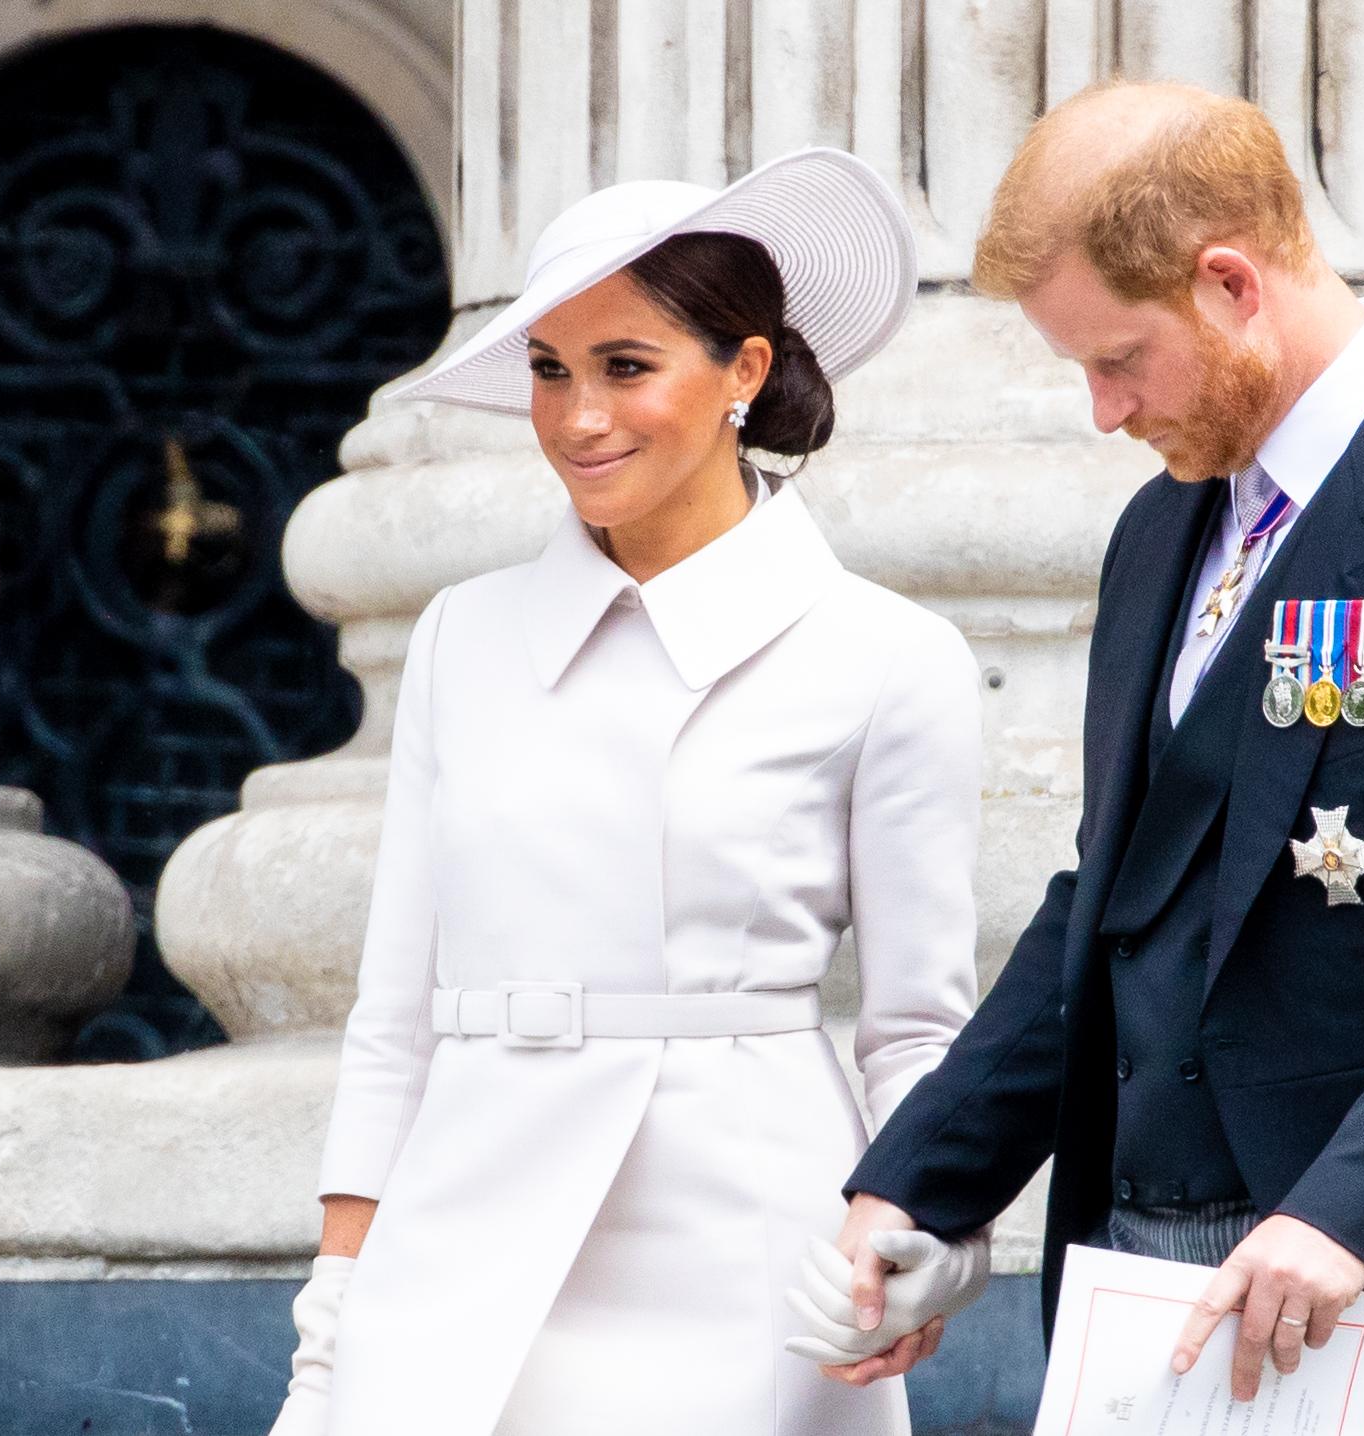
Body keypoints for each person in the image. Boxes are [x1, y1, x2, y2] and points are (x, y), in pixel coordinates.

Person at [812, 82, 1364, 1436]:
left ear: (1227, 281)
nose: (1100, 409)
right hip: (1136, 1283)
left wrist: (1341, 1212)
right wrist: (918, 1180)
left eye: (1118, 359)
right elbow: (1115, 897)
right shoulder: (1158, 534)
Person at [267, 148, 983, 1436]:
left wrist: (936, 1232)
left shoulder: (888, 657)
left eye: (627, 366)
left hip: (747, 1253)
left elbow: (916, 1027)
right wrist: (336, 1297)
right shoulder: (460, 638)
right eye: (550, 369)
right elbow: (395, 1017)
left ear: (744, 373)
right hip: (459, 1243)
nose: (578, 417)